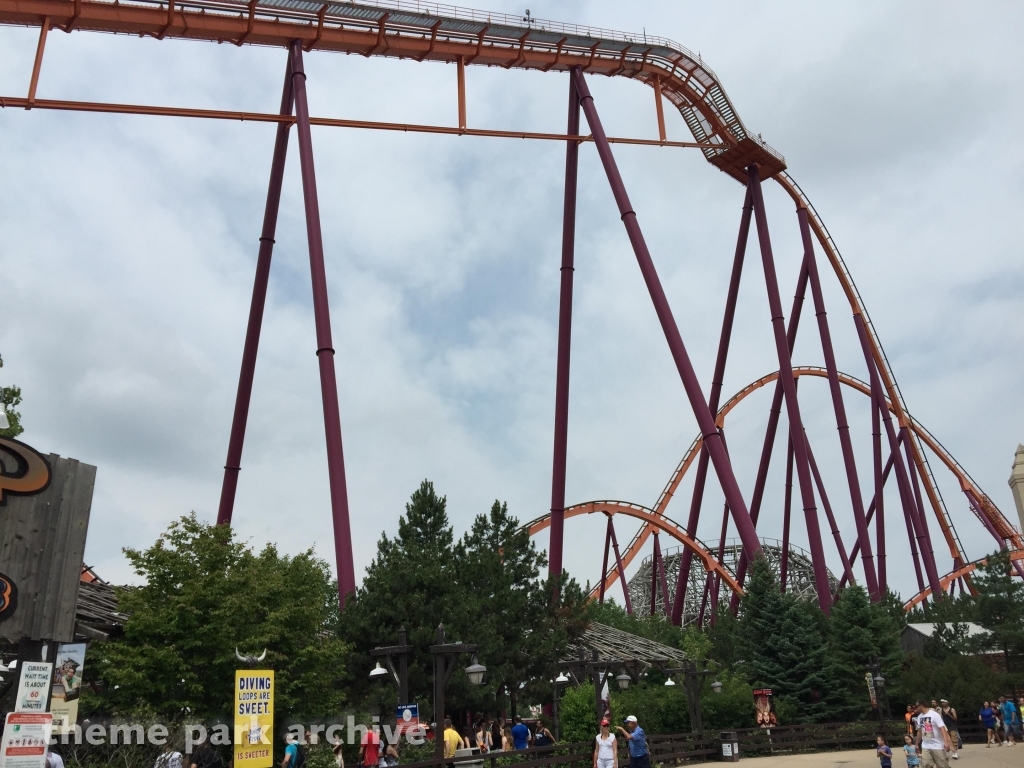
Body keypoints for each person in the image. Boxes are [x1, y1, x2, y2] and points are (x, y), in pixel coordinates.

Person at [915, 701, 951, 768]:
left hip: (937, 745)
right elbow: (919, 731)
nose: (915, 708)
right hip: (925, 745)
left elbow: (942, 729)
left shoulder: (934, 715)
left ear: (921, 706)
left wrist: (946, 742)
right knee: (926, 765)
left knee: (943, 765)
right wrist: (917, 744)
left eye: (916, 706)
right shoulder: (919, 717)